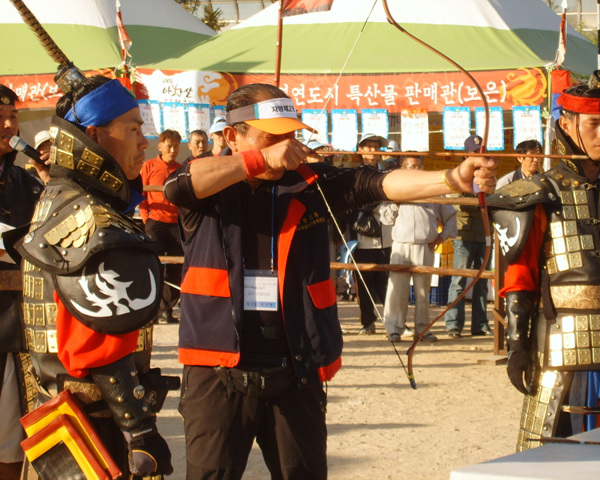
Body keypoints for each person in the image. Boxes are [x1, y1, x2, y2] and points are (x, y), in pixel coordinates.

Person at [163, 83, 497, 479]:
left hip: (296, 363)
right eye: (272, 136)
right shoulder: (209, 180)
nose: (286, 146)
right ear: (233, 137)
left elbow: (375, 183)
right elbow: (178, 185)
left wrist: (452, 178)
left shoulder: (309, 181)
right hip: (216, 364)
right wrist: (259, 160)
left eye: (291, 135)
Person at [13, 76, 174, 477]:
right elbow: (94, 344)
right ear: (94, 135)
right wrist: (139, 429)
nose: (143, 142)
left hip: (62, 411)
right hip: (94, 423)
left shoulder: (60, 197)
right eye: (132, 129)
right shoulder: (90, 215)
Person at [488, 81, 600, 451]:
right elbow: (520, 275)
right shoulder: (540, 193)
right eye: (593, 123)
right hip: (563, 344)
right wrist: (517, 343)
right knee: (561, 450)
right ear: (567, 125)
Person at [0, 85, 44, 480]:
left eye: (12, 117)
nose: (8, 125)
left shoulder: (27, 183)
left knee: (11, 433)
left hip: (15, 325)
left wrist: (53, 182)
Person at [382, 154, 457, 343]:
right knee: (397, 290)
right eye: (410, 166)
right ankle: (394, 329)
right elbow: (385, 218)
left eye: (418, 166)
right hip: (401, 245)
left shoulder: (432, 190)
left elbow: (450, 215)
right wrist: (395, 202)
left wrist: (442, 236)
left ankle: (423, 330)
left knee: (423, 292)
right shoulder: (394, 189)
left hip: (425, 245)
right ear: (402, 169)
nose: (414, 170)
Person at [444, 135, 493, 338]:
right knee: (459, 280)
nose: (479, 156)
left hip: (485, 234)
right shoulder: (458, 175)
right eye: (474, 152)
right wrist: (480, 206)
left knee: (482, 281)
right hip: (463, 235)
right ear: (466, 155)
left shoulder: (489, 176)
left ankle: (480, 324)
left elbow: (494, 201)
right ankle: (453, 324)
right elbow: (458, 204)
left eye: (481, 152)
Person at [139, 129, 183, 324]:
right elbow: (141, 194)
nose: (172, 150)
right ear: (160, 146)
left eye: (176, 146)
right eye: (169, 146)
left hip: (176, 224)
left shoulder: (181, 168)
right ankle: (151, 311)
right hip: (155, 222)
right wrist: (146, 219)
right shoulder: (148, 166)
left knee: (176, 267)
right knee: (152, 266)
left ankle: (167, 310)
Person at [352, 132, 393, 335]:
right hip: (361, 238)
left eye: (376, 147)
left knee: (386, 282)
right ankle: (367, 322)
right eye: (368, 146)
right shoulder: (352, 175)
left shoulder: (387, 174)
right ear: (360, 150)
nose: (373, 150)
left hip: (387, 236)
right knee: (364, 282)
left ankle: (392, 322)